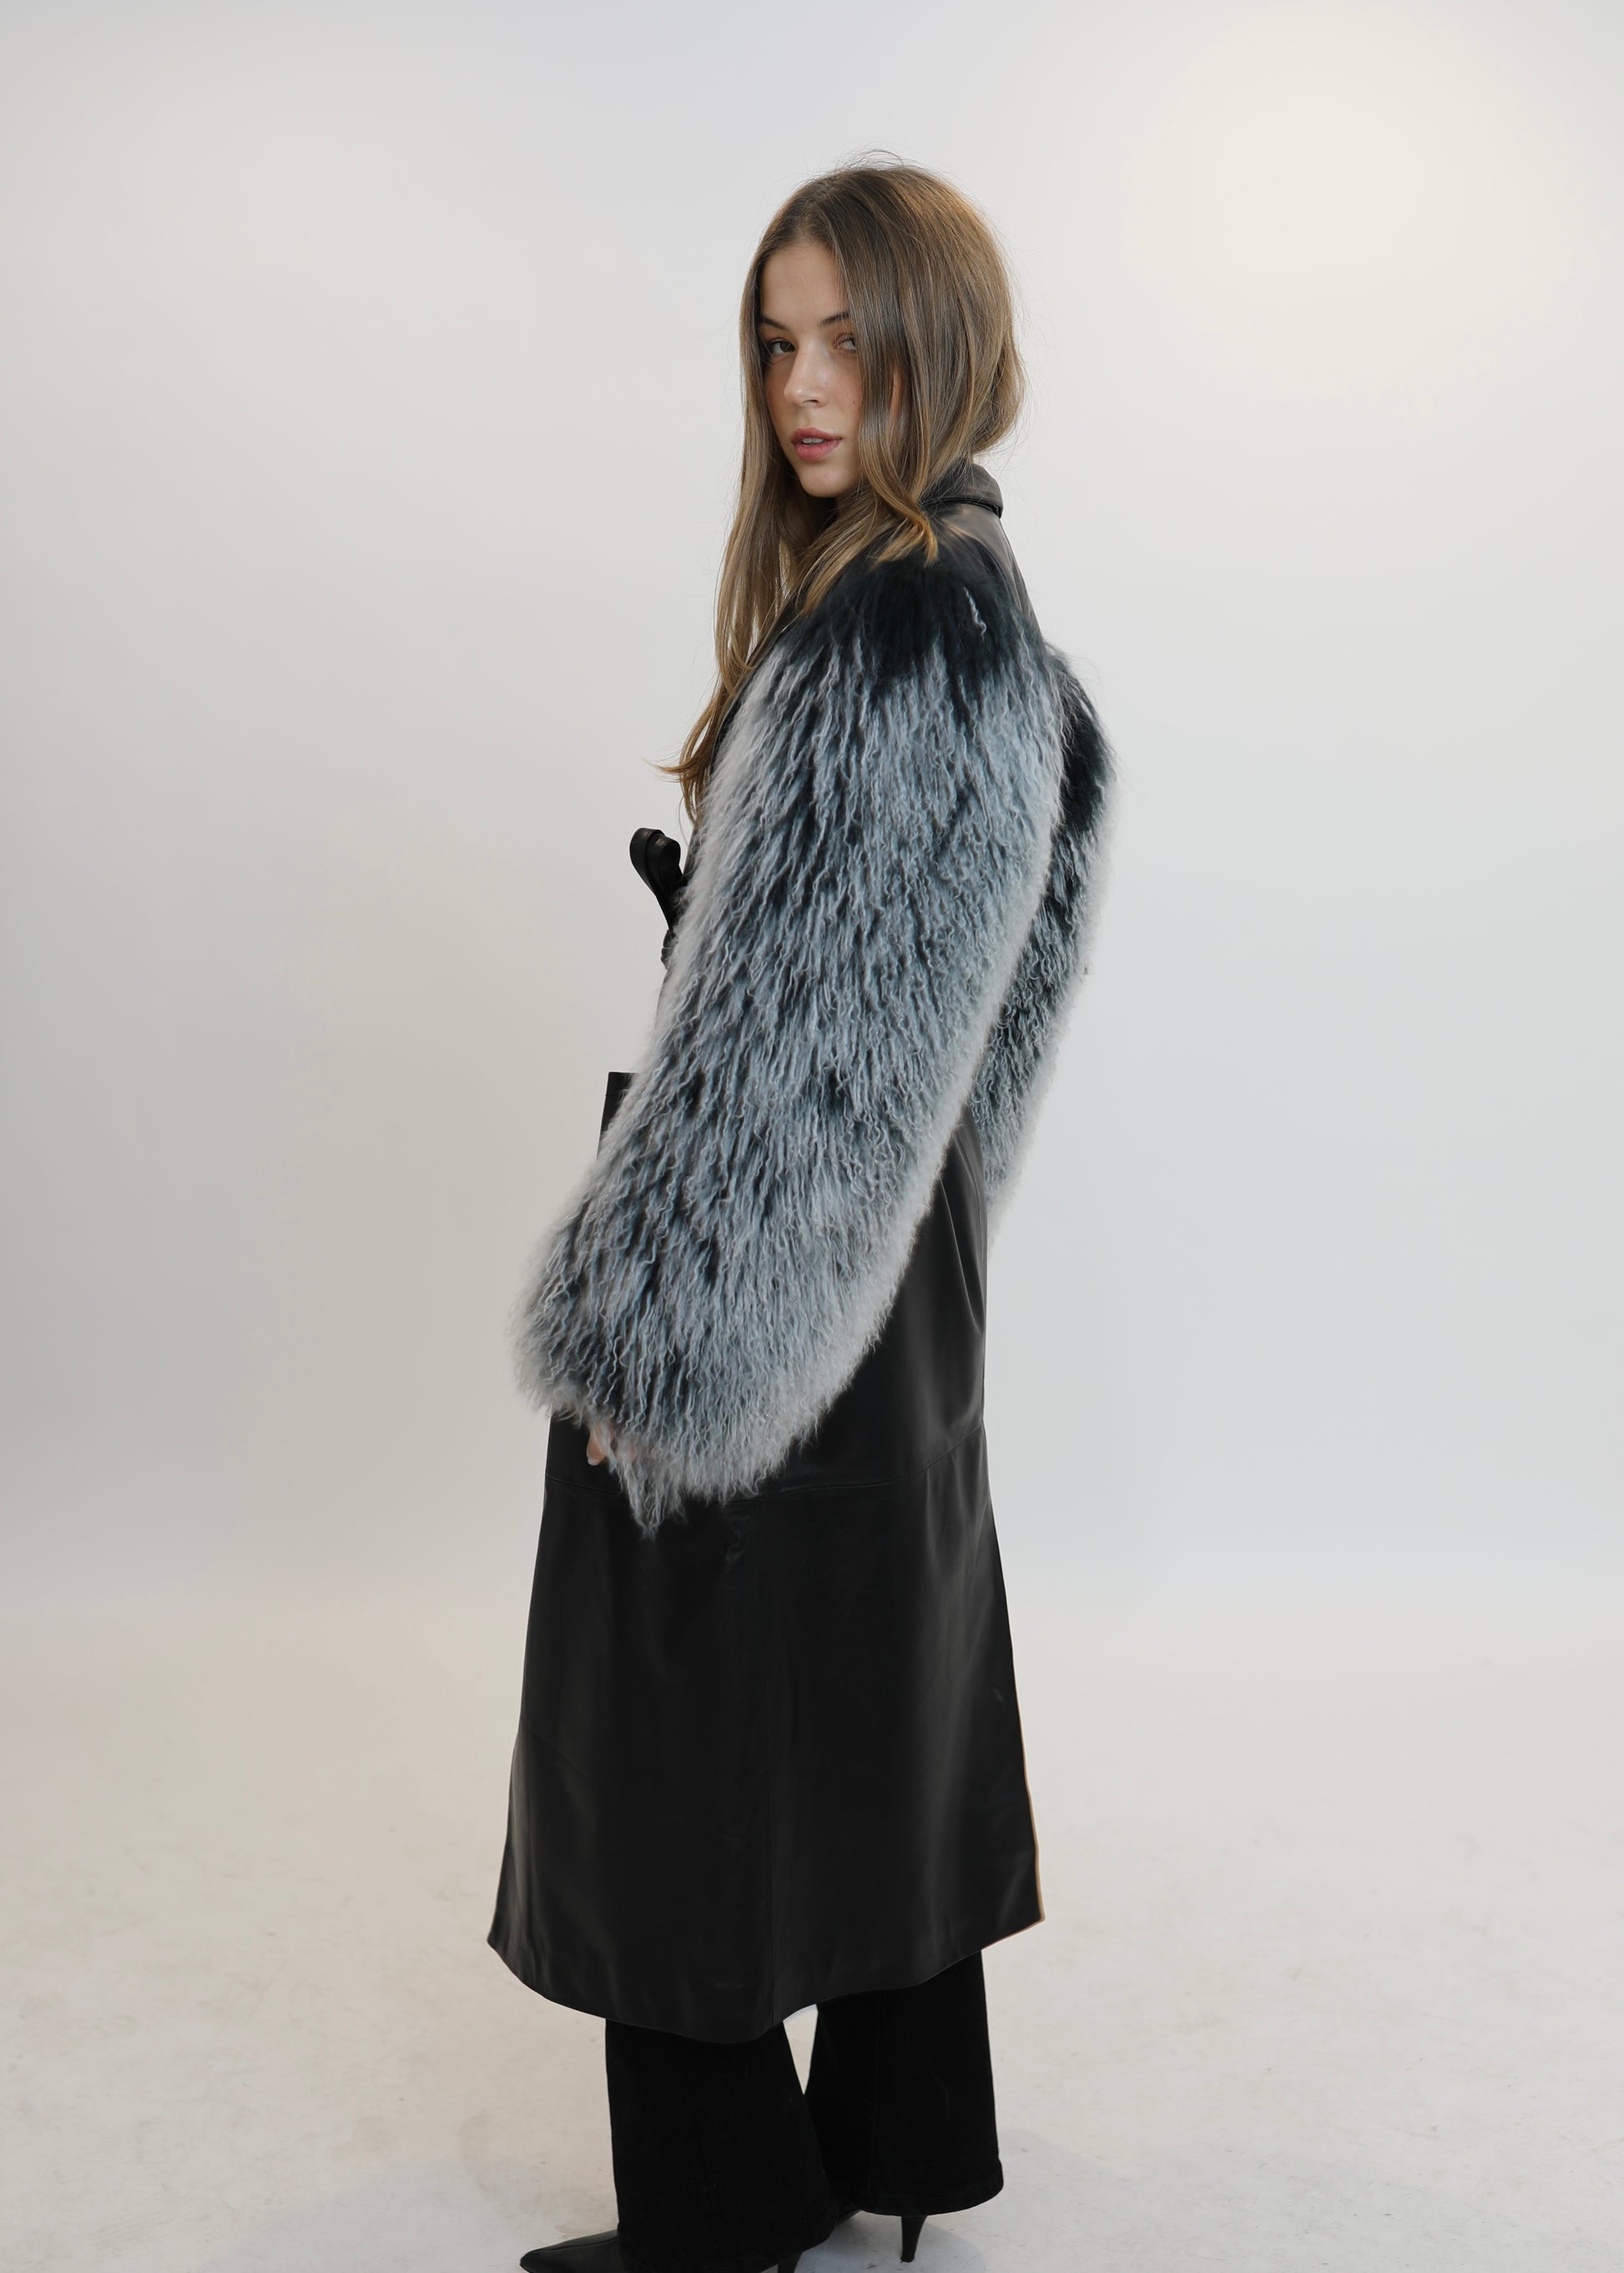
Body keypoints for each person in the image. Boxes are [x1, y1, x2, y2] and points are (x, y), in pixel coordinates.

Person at [489, 159, 1113, 2273]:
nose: (805, 386)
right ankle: (900, 2143)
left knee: (672, 1726)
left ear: (943, 338)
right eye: (777, 342)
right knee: (870, 1686)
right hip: (894, 1260)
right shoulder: (987, 618)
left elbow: (795, 1049)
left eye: (850, 337)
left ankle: (722, 2211)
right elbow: (954, 1022)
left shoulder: (890, 625)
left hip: (774, 1255)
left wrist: (653, 1340)